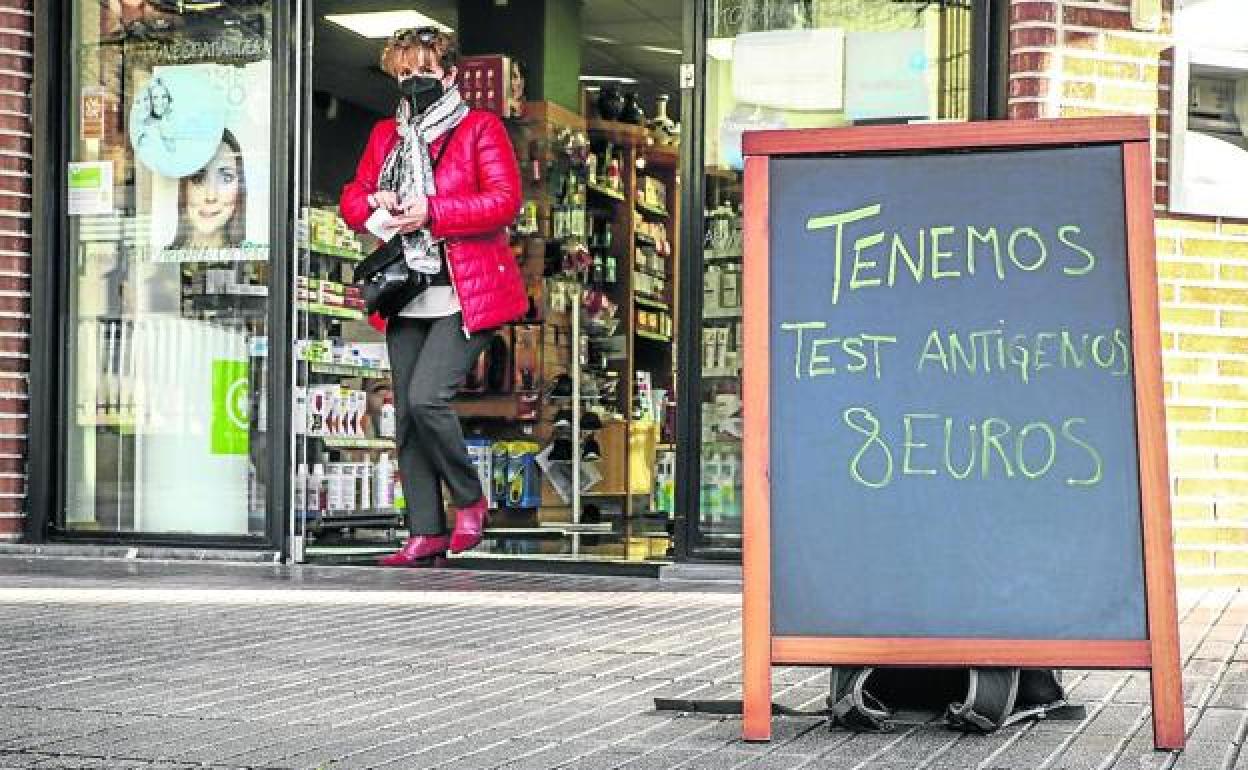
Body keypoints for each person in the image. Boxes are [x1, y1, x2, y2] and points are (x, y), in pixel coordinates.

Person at [340, 27, 527, 567]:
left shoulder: (479, 128)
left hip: (468, 291)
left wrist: (434, 211)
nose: (411, 82)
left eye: (422, 71)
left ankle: (470, 500)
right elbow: (353, 199)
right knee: (407, 417)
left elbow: (503, 201)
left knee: (427, 398)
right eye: (402, 74)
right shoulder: (386, 135)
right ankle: (425, 531)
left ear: (449, 75)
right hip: (406, 289)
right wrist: (374, 198)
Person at [168, 129, 246, 251]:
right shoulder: (162, 261)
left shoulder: (253, 256)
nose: (211, 196)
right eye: (198, 178)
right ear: (184, 187)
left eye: (226, 178)